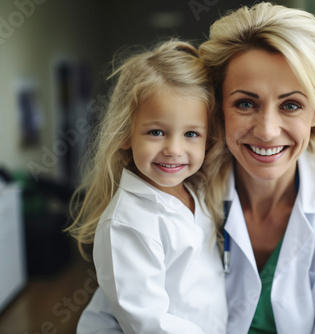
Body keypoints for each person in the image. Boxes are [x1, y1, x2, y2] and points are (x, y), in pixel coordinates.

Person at [77, 2, 315, 333]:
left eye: (292, 105)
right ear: (217, 108)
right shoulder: (177, 190)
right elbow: (120, 314)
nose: (267, 130)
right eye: (245, 103)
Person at [67, 39, 227, 334]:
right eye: (156, 132)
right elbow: (149, 324)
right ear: (126, 134)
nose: (174, 149)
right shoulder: (127, 224)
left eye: (191, 133)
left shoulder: (196, 191)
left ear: (208, 138)